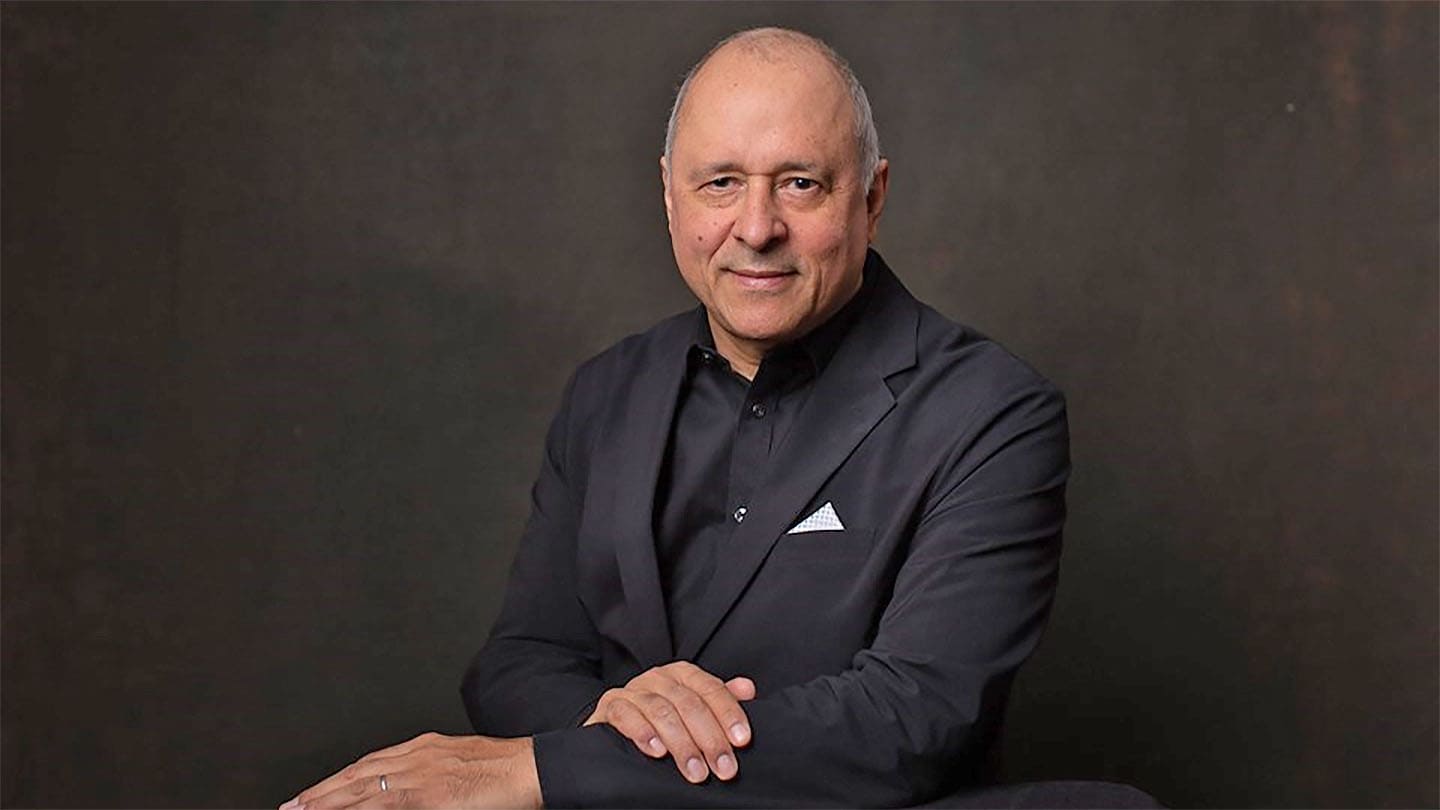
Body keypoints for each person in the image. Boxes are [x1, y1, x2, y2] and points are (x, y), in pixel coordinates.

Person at [285, 26, 1069, 809]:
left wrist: (548, 770)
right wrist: (616, 722)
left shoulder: (992, 412)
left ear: (872, 197)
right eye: (720, 183)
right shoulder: (605, 392)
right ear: (669, 196)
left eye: (800, 183)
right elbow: (520, 659)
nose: (756, 228)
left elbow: (913, 719)